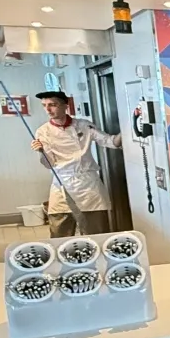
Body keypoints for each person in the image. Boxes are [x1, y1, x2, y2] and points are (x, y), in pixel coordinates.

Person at [31, 90, 121, 237]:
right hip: (61, 183)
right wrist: (41, 152)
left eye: (52, 105)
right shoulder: (43, 131)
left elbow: (109, 141)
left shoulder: (84, 126)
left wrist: (127, 131)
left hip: (88, 183)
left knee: (96, 231)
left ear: (65, 106)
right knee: (60, 233)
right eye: (44, 105)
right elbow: (49, 163)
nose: (48, 110)